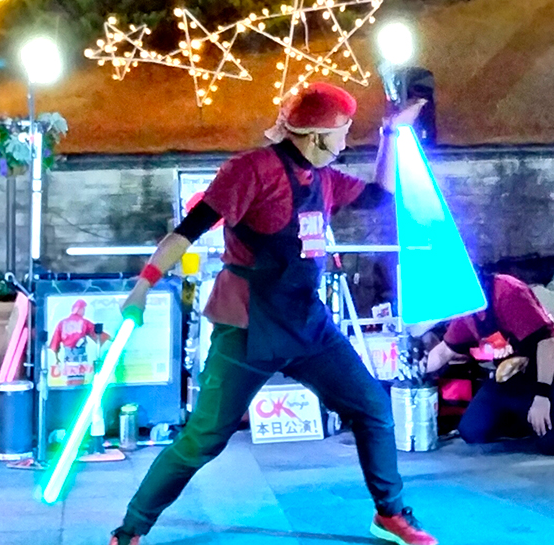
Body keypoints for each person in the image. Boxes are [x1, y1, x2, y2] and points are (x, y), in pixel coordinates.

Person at [109, 83, 437, 545]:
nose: (346, 142)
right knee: (203, 439)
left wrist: (391, 134)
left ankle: (390, 514)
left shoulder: (324, 178)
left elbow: (380, 196)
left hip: (307, 323)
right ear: (317, 136)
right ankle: (131, 529)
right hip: (247, 325)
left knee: (372, 409)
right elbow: (186, 232)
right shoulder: (251, 170)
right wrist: (142, 287)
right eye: (343, 132)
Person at [424, 272, 554, 456]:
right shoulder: (467, 308)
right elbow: (444, 351)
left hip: (543, 370)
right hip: (508, 374)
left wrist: (542, 396)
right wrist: (416, 371)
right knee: (471, 432)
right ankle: (523, 415)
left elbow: (547, 343)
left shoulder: (509, 292)